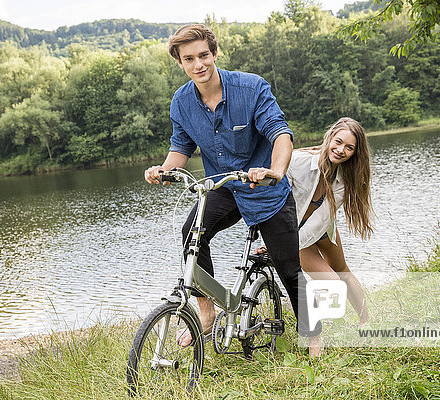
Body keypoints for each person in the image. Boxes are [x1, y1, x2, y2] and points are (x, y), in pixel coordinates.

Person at [144, 24, 319, 350]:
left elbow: (281, 134)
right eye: (189, 59)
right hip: (223, 185)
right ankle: (207, 316)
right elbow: (180, 148)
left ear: (214, 53)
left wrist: (275, 171)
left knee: (289, 269)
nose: (199, 65)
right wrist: (164, 170)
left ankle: (315, 336)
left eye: (203, 55)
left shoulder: (250, 88)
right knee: (191, 233)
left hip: (263, 186)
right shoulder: (181, 103)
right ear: (180, 63)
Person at [259, 117, 374, 355]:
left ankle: (367, 323)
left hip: (319, 228)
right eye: (338, 142)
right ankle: (316, 334)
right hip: (294, 230)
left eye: (349, 147)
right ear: (330, 137)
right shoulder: (299, 162)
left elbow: (321, 219)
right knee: (332, 284)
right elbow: (276, 202)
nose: (341, 150)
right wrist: (276, 241)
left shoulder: (344, 179)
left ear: (355, 152)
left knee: (343, 271)